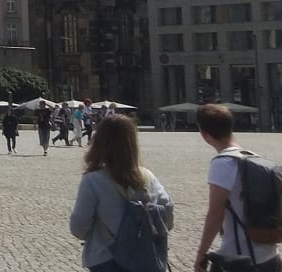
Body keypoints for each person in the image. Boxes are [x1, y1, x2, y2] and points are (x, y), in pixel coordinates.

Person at [69, 114, 174, 271]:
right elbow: (167, 210)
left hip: (106, 258)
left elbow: (78, 227)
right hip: (145, 258)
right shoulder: (148, 176)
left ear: (99, 142)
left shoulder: (93, 180)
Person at [194, 103, 279, 272]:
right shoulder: (254, 158)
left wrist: (201, 254)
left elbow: (215, 213)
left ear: (204, 134)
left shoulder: (223, 163)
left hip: (239, 259)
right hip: (270, 256)